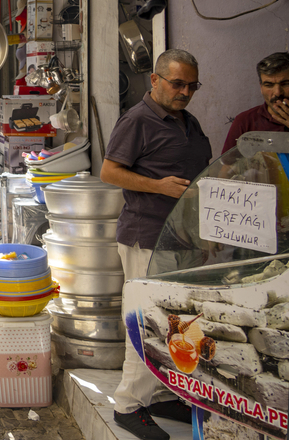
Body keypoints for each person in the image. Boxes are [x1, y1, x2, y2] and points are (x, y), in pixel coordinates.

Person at [100, 49, 212, 440]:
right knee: (143, 323)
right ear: (155, 80)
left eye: (192, 85)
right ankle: (128, 405)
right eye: (177, 83)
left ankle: (163, 394)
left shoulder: (187, 121)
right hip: (146, 238)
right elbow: (109, 171)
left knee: (173, 325)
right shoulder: (138, 120)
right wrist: (158, 186)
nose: (185, 92)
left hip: (182, 241)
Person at [222, 52, 289, 153]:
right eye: (269, 85)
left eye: (285, 84)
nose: (277, 93)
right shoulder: (245, 121)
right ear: (261, 87)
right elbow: (227, 167)